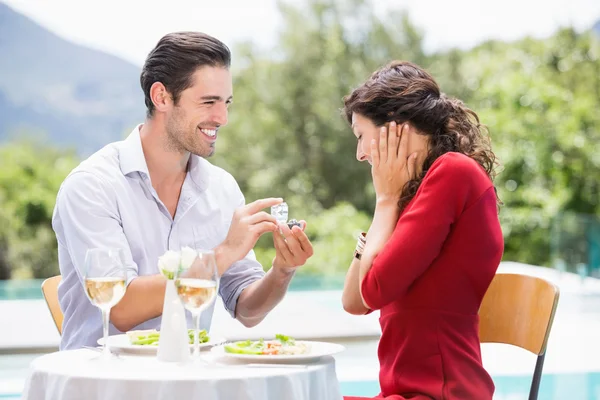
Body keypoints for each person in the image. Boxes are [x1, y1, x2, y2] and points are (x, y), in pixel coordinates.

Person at [51, 32, 314, 350]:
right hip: (105, 384)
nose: (223, 118)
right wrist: (221, 256)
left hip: (191, 381)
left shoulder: (222, 190)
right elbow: (120, 306)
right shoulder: (92, 186)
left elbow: (246, 308)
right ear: (161, 97)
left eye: (226, 103)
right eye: (208, 102)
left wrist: (282, 270)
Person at [340, 61, 504, 400]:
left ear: (394, 127)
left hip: (441, 393)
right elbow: (353, 301)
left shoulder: (454, 174)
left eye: (361, 136)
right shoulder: (416, 191)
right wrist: (390, 201)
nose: (359, 154)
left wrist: (385, 201)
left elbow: (372, 290)